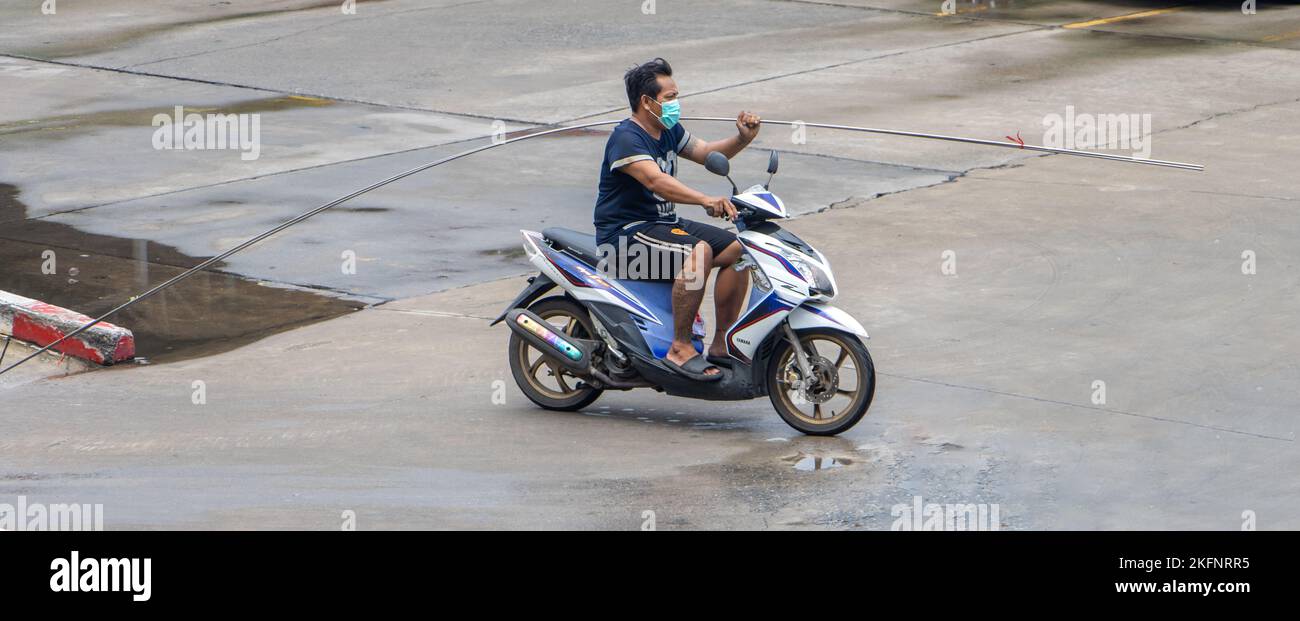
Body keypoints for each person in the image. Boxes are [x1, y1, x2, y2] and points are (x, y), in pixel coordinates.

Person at [593, 58, 761, 381]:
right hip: (624, 239)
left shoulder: (668, 130)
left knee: (739, 251)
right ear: (647, 102)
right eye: (670, 97)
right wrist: (704, 199)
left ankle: (720, 345)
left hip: (663, 228)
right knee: (699, 252)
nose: (676, 103)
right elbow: (657, 182)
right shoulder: (626, 139)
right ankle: (681, 348)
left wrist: (742, 138)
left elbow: (708, 152)